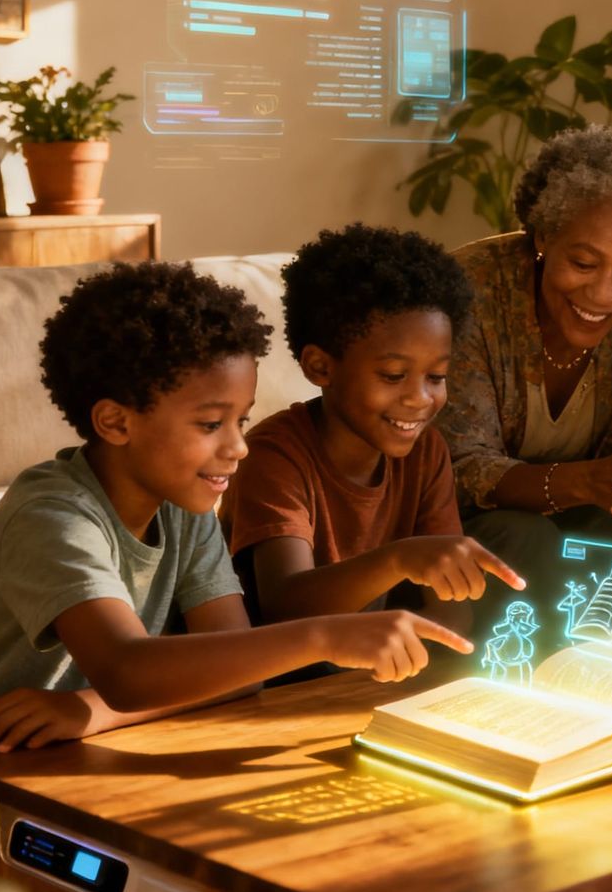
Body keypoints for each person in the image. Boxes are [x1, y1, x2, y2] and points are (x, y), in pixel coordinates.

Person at [0, 262, 473, 877]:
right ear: (116, 422)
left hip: (82, 751)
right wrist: (327, 634)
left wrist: (91, 711)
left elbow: (235, 673)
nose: (238, 446)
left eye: (241, 418)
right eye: (211, 425)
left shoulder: (186, 504)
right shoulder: (51, 515)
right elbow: (128, 668)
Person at [439, 124, 612, 622]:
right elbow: (459, 469)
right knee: (521, 537)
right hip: (475, 520)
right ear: (544, 235)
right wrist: (585, 482)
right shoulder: (472, 287)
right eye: (584, 263)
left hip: (592, 509)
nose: (603, 294)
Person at [221, 224, 524, 643]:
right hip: (281, 680)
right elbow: (285, 606)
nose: (420, 398)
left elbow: (451, 612)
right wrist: (398, 560)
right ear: (320, 367)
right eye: (394, 375)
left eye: (436, 375)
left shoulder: (425, 452)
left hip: (370, 674)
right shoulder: (275, 455)